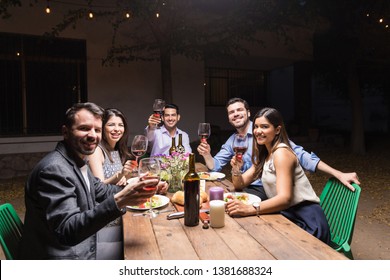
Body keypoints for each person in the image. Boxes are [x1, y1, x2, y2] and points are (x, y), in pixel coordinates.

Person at [19, 102, 162, 260]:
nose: (93, 135)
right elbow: (68, 232)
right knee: (142, 257)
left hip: (82, 242)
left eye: (97, 130)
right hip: (64, 256)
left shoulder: (75, 161)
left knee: (141, 245)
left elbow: (101, 190)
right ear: (65, 132)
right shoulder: (54, 169)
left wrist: (137, 187)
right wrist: (120, 200)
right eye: (84, 128)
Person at [197, 97, 360, 200]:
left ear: (248, 113)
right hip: (248, 186)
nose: (236, 114)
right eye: (231, 112)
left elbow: (302, 156)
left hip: (270, 190)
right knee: (221, 199)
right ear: (228, 118)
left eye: (239, 110)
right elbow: (216, 166)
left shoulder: (266, 134)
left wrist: (338, 173)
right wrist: (207, 155)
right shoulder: (233, 140)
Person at [226, 107, 330, 243]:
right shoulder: (265, 155)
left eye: (264, 127)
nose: (258, 131)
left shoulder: (281, 153)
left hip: (306, 221)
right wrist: (236, 169)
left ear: (277, 130)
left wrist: (249, 209)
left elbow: (284, 198)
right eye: (256, 127)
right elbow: (240, 183)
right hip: (286, 215)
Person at [89, 108, 135, 186]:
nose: (117, 129)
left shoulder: (117, 149)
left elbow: (122, 177)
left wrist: (126, 175)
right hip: (105, 197)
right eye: (111, 125)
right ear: (102, 128)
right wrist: (120, 175)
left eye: (120, 125)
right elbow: (98, 187)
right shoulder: (96, 150)